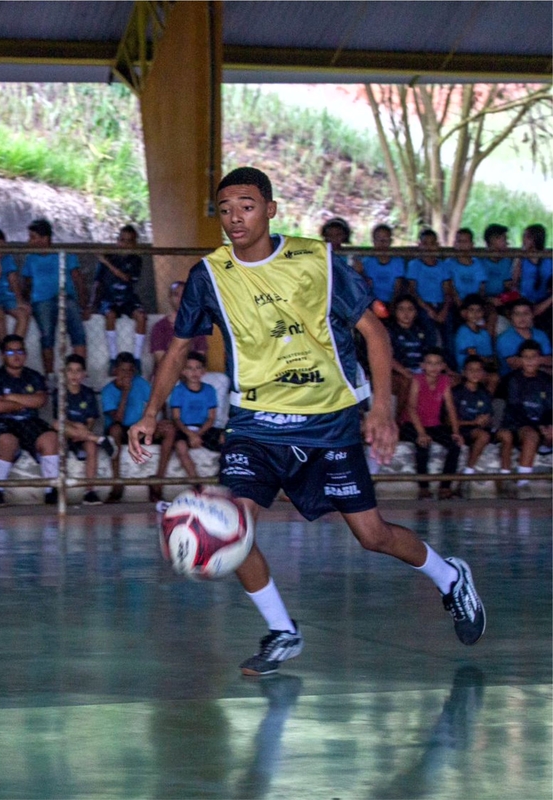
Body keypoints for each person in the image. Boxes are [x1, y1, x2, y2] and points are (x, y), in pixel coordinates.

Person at [129, 167, 485, 677]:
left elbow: (375, 335)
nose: (235, 217)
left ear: (270, 209)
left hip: (328, 421)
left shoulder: (317, 260)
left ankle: (450, 577)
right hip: (255, 424)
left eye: (247, 206)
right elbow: (181, 344)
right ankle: (282, 631)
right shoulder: (211, 274)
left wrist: (382, 407)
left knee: (372, 534)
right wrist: (148, 412)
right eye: (226, 208)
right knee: (237, 522)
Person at [0, 334, 61, 507]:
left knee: (50, 438)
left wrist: (10, 398)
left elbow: (40, 401)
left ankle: (51, 490)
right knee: (6, 441)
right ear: (2, 355)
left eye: (20, 351)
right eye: (10, 352)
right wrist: (26, 401)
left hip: (29, 421)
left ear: (25, 354)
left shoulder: (34, 376)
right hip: (3, 422)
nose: (16, 356)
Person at [103, 351, 175, 502]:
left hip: (140, 428)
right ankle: (117, 482)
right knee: (114, 430)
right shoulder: (108, 391)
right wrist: (125, 392)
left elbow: (158, 401)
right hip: (121, 430)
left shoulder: (140, 382)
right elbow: (118, 419)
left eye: (130, 370)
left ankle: (158, 482)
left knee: (169, 430)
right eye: (123, 370)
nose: (127, 374)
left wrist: (163, 419)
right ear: (115, 371)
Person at [20, 218, 87, 375]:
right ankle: (49, 375)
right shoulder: (30, 257)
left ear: (45, 239)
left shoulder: (64, 254)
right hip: (41, 301)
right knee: (47, 335)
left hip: (65, 297)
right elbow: (27, 283)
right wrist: (24, 302)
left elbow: (78, 279)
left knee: (78, 330)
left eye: (33, 237)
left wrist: (84, 305)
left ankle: (80, 372)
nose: (30, 241)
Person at [398, 347, 463, 500]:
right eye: (429, 363)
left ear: (443, 366)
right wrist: (421, 433)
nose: (433, 367)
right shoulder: (417, 379)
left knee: (455, 445)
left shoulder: (444, 381)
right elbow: (411, 408)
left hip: (434, 425)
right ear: (423, 365)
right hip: (411, 424)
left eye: (437, 363)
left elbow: (450, 407)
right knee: (423, 444)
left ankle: (445, 487)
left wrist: (456, 432)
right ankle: (424, 488)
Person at [55, 353, 113, 506]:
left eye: (78, 370)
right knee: (56, 424)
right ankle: (99, 439)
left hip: (84, 435)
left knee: (91, 447)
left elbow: (91, 420)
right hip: (66, 433)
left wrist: (83, 431)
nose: (74, 375)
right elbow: (61, 418)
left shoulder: (87, 393)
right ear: (64, 373)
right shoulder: (60, 392)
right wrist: (77, 428)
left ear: (84, 374)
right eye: (70, 370)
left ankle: (89, 491)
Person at [500, 340, 553, 497]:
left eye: (534, 357)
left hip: (540, 424)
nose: (530, 361)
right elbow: (516, 410)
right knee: (531, 435)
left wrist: (548, 426)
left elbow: (550, 408)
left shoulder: (547, 380)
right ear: (519, 360)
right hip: (518, 425)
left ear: (540, 359)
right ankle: (523, 483)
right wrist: (538, 427)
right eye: (525, 357)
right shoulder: (513, 380)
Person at [452, 356, 509, 494]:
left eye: (479, 370)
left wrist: (486, 420)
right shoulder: (456, 392)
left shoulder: (485, 393)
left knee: (507, 435)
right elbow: (448, 421)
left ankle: (505, 479)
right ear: (464, 372)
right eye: (471, 370)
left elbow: (489, 416)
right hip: (464, 428)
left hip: (482, 428)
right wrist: (473, 422)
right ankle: (468, 474)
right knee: (483, 436)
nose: (475, 373)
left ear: (483, 373)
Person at [94, 224, 148, 367]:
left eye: (129, 241)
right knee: (110, 315)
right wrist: (92, 304)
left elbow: (126, 278)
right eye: (122, 240)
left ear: (135, 244)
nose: (124, 244)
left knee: (141, 316)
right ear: (117, 240)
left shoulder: (135, 260)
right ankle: (113, 358)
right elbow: (97, 282)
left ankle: (136, 359)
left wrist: (106, 263)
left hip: (127, 297)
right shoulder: (109, 256)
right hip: (110, 297)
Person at [168, 352, 222, 483]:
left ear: (203, 371)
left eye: (198, 368)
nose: (194, 372)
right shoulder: (178, 391)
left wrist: (199, 434)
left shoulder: (209, 390)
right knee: (180, 445)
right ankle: (196, 483)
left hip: (203, 429)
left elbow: (211, 418)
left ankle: (223, 477)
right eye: (189, 368)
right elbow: (176, 418)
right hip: (184, 429)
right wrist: (191, 435)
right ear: (183, 371)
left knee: (225, 438)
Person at [388, 294, 440, 412]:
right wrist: (404, 372)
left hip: (421, 370)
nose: (406, 313)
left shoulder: (422, 330)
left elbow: (431, 353)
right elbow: (386, 358)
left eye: (410, 309)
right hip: (397, 373)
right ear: (395, 311)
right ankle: (399, 419)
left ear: (416, 312)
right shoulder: (389, 331)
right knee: (406, 382)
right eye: (401, 309)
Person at [150, 280, 206, 377]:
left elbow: (201, 356)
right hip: (167, 376)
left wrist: (190, 372)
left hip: (193, 374)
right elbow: (160, 359)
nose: (180, 299)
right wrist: (182, 373)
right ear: (170, 298)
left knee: (221, 379)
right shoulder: (160, 327)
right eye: (176, 295)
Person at [494, 299, 552, 376]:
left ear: (532, 315)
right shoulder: (504, 338)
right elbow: (514, 364)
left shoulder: (540, 334)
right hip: (513, 378)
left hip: (541, 375)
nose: (522, 317)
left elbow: (550, 359)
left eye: (526, 313)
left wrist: (530, 361)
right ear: (511, 317)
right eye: (517, 314)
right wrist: (540, 362)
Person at [358, 224, 406, 305]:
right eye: (379, 239)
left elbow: (397, 288)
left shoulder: (398, 262)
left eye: (385, 239)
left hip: (393, 301)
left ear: (390, 241)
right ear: (373, 241)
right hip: (373, 302)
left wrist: (392, 305)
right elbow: (368, 287)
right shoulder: (367, 262)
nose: (382, 243)